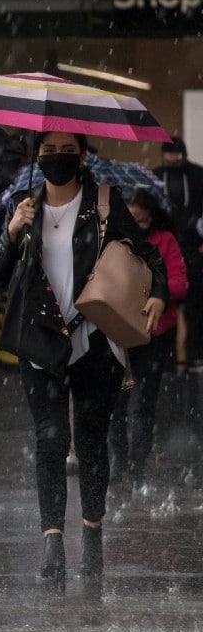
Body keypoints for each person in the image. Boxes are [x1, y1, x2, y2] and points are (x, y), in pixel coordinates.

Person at [0, 131, 167, 584]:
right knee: (50, 440)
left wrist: (158, 296)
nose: (58, 160)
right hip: (41, 344)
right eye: (48, 152)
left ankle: (91, 530)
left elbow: (149, 256)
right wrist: (11, 232)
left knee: (90, 443)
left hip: (93, 342)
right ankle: (52, 542)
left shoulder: (104, 203)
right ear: (37, 158)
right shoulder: (24, 208)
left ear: (83, 156)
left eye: (67, 152)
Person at [107, 188, 187, 489]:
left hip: (155, 333)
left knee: (142, 404)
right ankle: (118, 461)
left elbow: (179, 283)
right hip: (119, 331)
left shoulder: (165, 242)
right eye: (131, 219)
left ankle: (137, 464)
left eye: (141, 220)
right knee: (116, 404)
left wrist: (152, 286)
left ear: (152, 218)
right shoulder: (115, 241)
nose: (136, 224)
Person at [153, 137, 203, 378]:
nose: (173, 159)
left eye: (177, 154)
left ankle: (194, 354)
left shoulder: (197, 175)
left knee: (195, 304)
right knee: (164, 300)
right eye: (169, 155)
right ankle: (167, 359)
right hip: (165, 246)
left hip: (193, 247)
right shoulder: (156, 176)